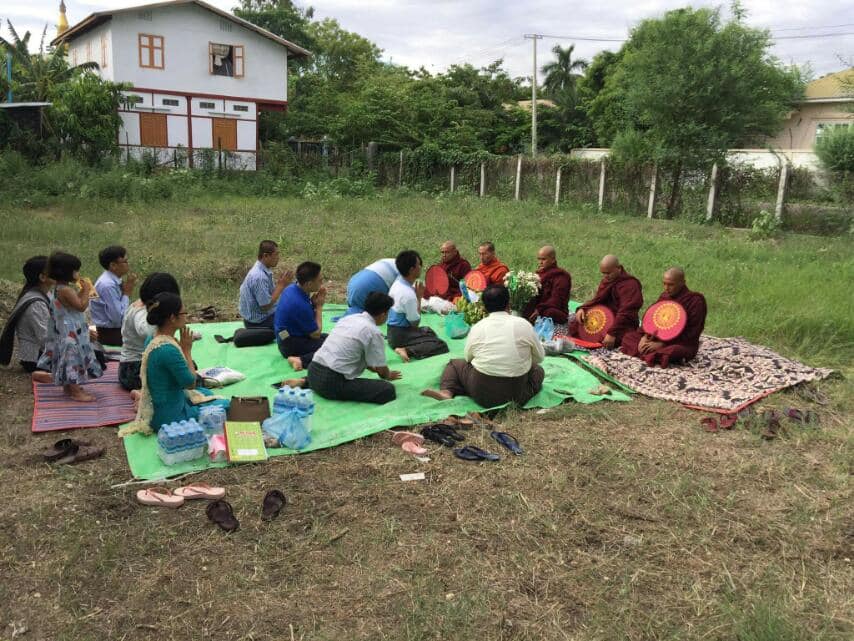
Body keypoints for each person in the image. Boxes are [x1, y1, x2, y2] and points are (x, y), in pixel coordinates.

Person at [119, 292, 227, 435]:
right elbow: (190, 383)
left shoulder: (153, 338)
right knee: (226, 406)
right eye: (184, 313)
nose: (186, 316)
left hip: (158, 406)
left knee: (205, 393)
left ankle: (140, 396)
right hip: (170, 417)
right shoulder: (168, 349)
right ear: (172, 318)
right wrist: (187, 350)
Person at [422, 284, 545, 407]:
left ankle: (447, 392)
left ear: (485, 308)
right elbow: (539, 358)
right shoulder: (524, 324)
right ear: (509, 304)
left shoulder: (478, 327)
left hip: (481, 393)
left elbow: (468, 358)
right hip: (516, 395)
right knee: (538, 371)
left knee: (454, 365)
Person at [291, 292, 401, 405]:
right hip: (331, 382)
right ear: (383, 314)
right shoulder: (373, 332)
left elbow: (353, 352)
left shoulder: (348, 319)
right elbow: (382, 371)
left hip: (313, 371)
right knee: (388, 390)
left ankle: (304, 381)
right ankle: (311, 384)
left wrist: (375, 368)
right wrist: (388, 375)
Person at [36, 251, 104, 402]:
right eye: (76, 270)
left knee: (67, 358)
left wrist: (81, 292)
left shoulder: (59, 288)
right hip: (70, 332)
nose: (78, 274)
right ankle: (75, 391)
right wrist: (86, 290)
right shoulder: (65, 290)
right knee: (72, 360)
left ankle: (68, 387)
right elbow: (80, 306)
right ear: (67, 272)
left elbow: (71, 304)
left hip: (64, 329)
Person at [621, 267, 707, 368]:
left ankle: (652, 354)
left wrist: (663, 344)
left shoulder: (695, 301)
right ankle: (653, 356)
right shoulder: (665, 296)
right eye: (664, 283)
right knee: (628, 337)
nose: (666, 288)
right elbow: (651, 320)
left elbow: (692, 332)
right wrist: (644, 337)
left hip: (681, 343)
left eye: (671, 284)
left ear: (682, 282)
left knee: (672, 351)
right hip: (656, 339)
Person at [118, 272, 181, 392]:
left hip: (133, 366)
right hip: (134, 369)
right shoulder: (141, 312)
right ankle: (140, 395)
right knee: (186, 378)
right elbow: (149, 333)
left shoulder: (147, 307)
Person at [387, 250, 449, 362]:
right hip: (401, 335)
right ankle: (406, 350)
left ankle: (408, 345)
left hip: (392, 331)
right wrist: (419, 297)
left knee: (428, 331)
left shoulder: (398, 281)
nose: (421, 267)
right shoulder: (407, 294)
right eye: (419, 265)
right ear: (412, 270)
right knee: (441, 345)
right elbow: (415, 324)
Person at [569, 255, 643, 348]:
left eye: (608, 273)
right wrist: (583, 308)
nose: (605, 276)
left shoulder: (630, 285)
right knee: (575, 325)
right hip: (604, 317)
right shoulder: (607, 280)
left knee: (626, 340)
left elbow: (626, 312)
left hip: (622, 322)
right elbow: (597, 300)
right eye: (603, 273)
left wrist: (612, 333)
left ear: (619, 268)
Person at [0, 256, 52, 373]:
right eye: (53, 270)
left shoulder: (45, 292)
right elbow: (45, 338)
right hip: (36, 358)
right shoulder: (36, 303)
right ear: (42, 277)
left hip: (45, 350)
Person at [274, 261, 328, 371]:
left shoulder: (293, 288)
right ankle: (300, 360)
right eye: (320, 280)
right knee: (332, 347)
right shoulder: (299, 304)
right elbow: (316, 334)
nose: (322, 283)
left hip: (287, 338)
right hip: (290, 345)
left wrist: (312, 304)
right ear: (309, 284)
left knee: (331, 338)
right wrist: (319, 307)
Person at [238, 240, 294, 330]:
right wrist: (280, 286)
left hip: (261, 316)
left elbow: (269, 296)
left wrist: (281, 285)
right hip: (258, 323)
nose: (278, 258)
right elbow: (265, 306)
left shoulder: (262, 269)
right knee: (295, 320)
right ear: (265, 256)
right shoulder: (259, 276)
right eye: (276, 254)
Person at [90, 245, 137, 346]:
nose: (127, 264)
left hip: (113, 332)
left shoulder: (113, 280)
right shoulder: (107, 285)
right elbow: (117, 318)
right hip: (110, 335)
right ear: (113, 265)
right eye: (125, 261)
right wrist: (126, 294)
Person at [523, 245, 572, 324]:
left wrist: (539, 310)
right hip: (539, 308)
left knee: (549, 312)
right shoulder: (539, 274)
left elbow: (556, 300)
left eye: (543, 259)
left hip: (555, 310)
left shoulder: (562, 276)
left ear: (553, 260)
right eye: (539, 259)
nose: (540, 262)